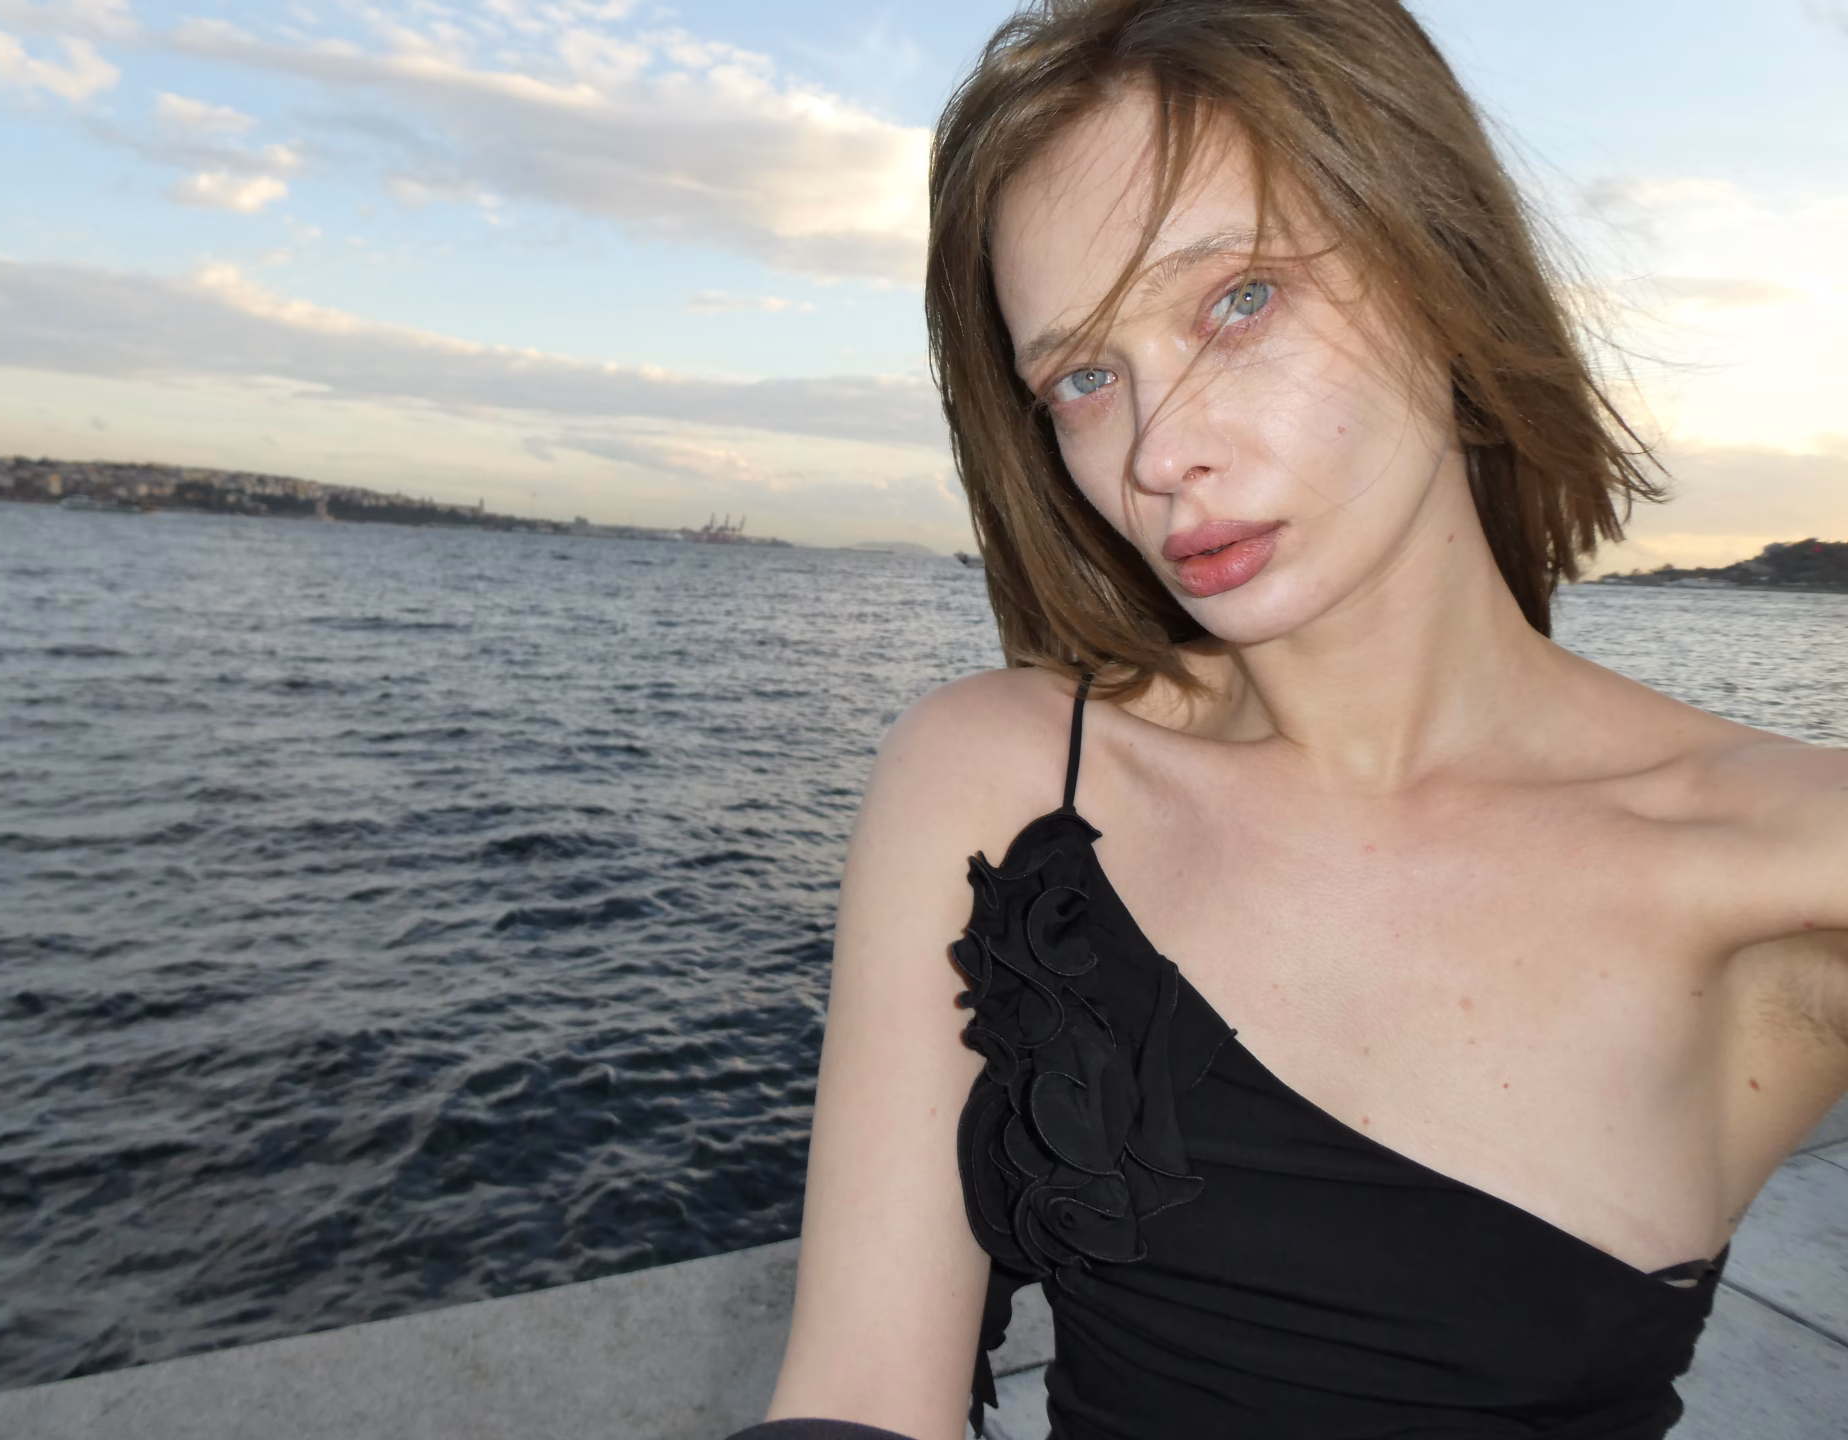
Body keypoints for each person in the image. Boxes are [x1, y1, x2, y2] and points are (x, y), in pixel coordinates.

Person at [732, 2, 1848, 1436]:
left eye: (1239, 300)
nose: (1157, 452)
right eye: (1085, 377)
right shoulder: (1000, 779)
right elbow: (862, 1396)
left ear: (1445, 262)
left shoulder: (1784, 860)